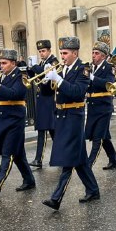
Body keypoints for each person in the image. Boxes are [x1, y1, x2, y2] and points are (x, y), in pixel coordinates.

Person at [42, 37, 101, 209]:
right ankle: (93, 189)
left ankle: (56, 197)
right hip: (61, 116)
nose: (62, 56)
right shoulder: (62, 69)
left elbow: (77, 92)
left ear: (75, 53)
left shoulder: (83, 69)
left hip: (74, 116)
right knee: (78, 158)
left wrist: (58, 80)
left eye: (65, 53)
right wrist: (47, 80)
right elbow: (48, 92)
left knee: (68, 158)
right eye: (61, 53)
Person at [0, 49, 36, 197]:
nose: (1, 66)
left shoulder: (21, 76)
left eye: (4, 63)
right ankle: (29, 180)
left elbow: (15, 94)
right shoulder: (3, 76)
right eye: (0, 63)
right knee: (18, 154)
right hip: (3, 118)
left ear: (13, 63)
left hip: (14, 119)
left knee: (8, 153)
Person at [85, 41, 116, 170]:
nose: (93, 55)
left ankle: (88, 165)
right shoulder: (89, 67)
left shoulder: (109, 67)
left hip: (104, 107)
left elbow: (109, 83)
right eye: (93, 53)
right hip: (93, 106)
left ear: (104, 56)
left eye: (97, 53)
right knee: (104, 135)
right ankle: (114, 160)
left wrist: (93, 78)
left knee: (97, 137)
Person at [28, 39, 57, 168]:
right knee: (52, 131)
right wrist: (29, 68)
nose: (41, 53)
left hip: (49, 100)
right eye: (40, 51)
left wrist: (34, 66)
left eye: (43, 51)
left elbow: (44, 74)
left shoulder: (53, 62)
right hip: (42, 101)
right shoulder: (43, 62)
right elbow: (37, 76)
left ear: (49, 50)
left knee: (42, 130)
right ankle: (61, 155)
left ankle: (38, 159)